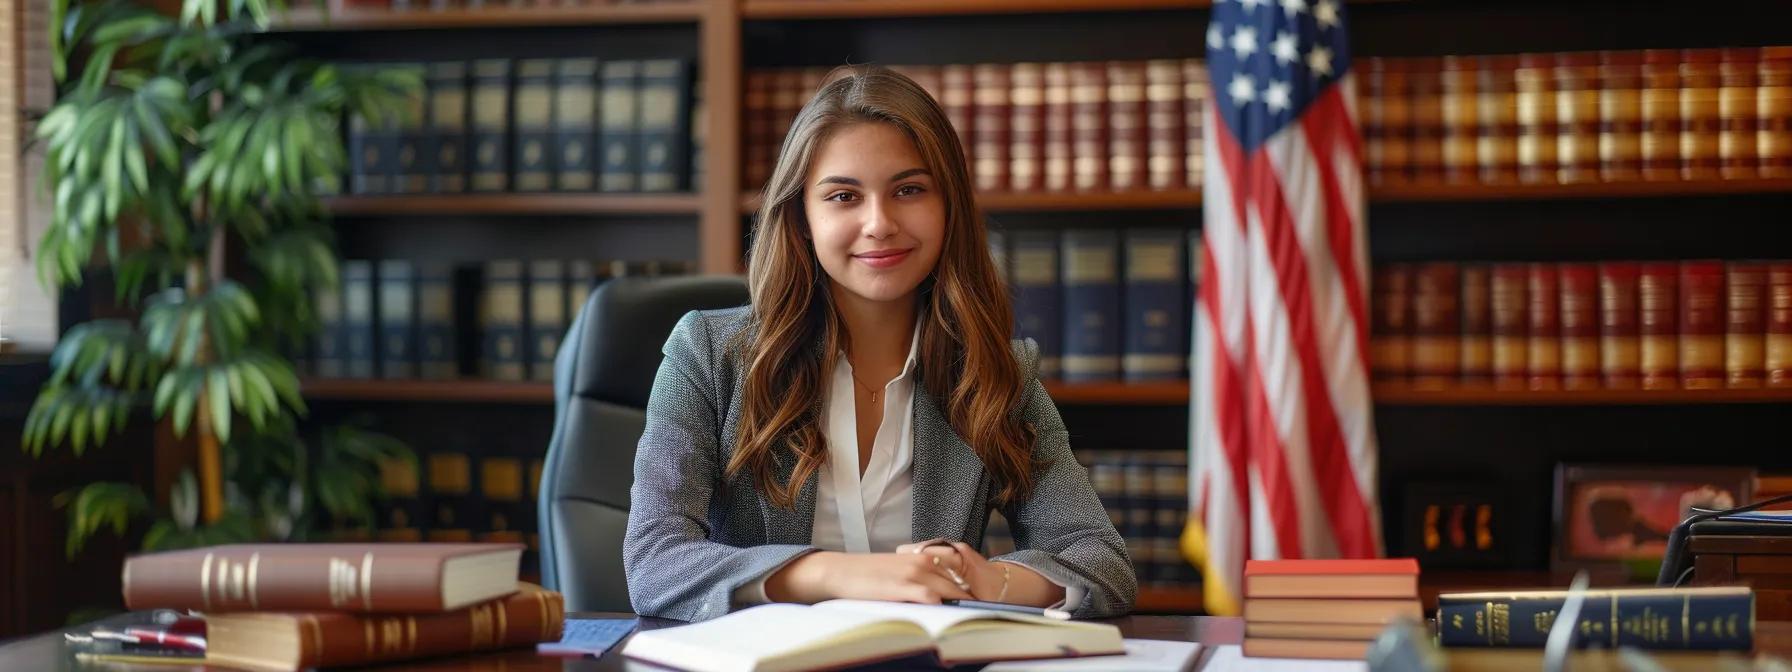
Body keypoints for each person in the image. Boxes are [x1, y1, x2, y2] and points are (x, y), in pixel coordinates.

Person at [622, 65, 1136, 622]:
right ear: (802, 219)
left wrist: (988, 578)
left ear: (949, 207)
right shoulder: (708, 354)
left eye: (909, 190)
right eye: (844, 196)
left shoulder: (998, 372)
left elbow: (1100, 560)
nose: (879, 223)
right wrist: (839, 574)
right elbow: (655, 562)